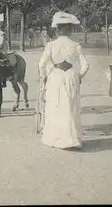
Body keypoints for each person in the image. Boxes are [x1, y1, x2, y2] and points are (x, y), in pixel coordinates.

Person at [38, 11, 89, 150]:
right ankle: (72, 138)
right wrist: (79, 76)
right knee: (70, 106)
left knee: (56, 105)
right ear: (69, 30)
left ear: (57, 29)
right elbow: (86, 65)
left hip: (56, 76)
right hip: (70, 76)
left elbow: (41, 65)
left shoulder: (51, 45)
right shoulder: (75, 45)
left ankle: (54, 138)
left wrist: (45, 78)